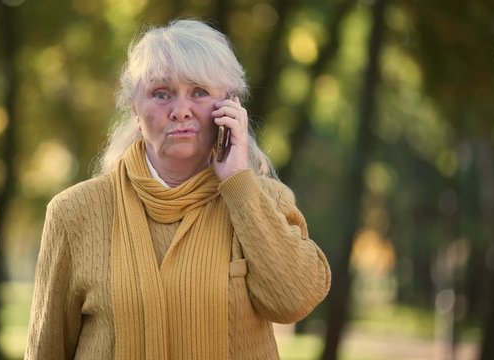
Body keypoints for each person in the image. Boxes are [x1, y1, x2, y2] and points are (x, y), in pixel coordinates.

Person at [25, 19, 331, 360]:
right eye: (161, 93)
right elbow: (46, 351)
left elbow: (295, 301)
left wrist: (238, 184)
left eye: (199, 92)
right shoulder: (74, 213)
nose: (181, 111)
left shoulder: (263, 200)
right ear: (134, 109)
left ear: (230, 107)